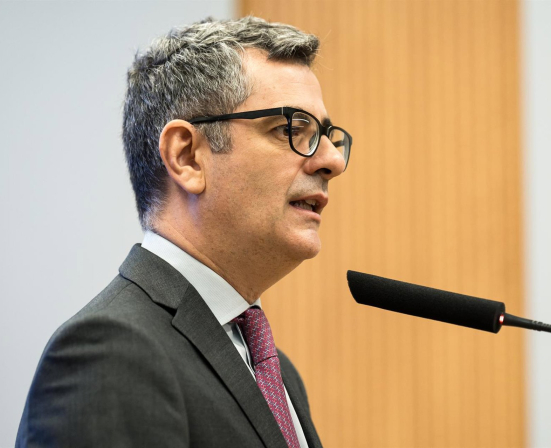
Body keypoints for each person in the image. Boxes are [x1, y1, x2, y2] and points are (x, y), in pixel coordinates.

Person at [16, 16, 352, 448]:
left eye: (326, 136)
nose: (332, 161)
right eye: (291, 130)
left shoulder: (275, 371)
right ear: (187, 156)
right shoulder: (112, 352)